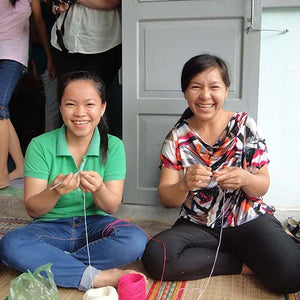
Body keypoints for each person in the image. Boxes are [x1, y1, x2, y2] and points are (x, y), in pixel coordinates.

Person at [142, 54, 300, 294]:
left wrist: (246, 179)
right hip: (198, 223)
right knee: (157, 256)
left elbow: (262, 186)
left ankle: (250, 248)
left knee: (291, 276)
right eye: (196, 87)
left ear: (226, 90)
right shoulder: (176, 138)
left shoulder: (245, 126)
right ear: (185, 92)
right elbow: (167, 199)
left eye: (214, 87)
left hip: (247, 218)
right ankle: (241, 263)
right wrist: (184, 183)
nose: (205, 95)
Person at [0, 71, 147, 291]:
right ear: (60, 108)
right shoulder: (40, 145)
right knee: (11, 244)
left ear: (103, 107)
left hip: (96, 227)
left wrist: (98, 189)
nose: (80, 113)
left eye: (89, 104)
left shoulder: (113, 146)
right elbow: (33, 210)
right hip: (50, 229)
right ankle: (97, 278)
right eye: (70, 104)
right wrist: (55, 191)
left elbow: (111, 206)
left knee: (135, 239)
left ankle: (56, 264)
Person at [0, 0, 55, 189]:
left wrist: (49, 58)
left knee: (0, 106)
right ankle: (21, 166)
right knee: (2, 111)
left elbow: (39, 24)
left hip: (14, 55)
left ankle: (1, 175)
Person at [50, 0, 122, 136]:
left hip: (102, 44)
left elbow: (113, 2)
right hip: (65, 42)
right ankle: (67, 153)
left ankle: (101, 152)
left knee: (96, 105)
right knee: (68, 101)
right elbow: (56, 8)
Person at [30, 0, 59, 132]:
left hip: (63, 53)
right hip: (45, 54)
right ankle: (50, 143)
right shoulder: (37, 5)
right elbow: (33, 34)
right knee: (52, 102)